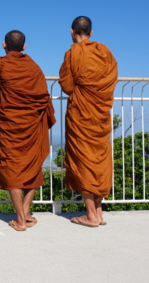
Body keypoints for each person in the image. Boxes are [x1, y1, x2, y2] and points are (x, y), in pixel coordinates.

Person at [0, 30, 56, 231]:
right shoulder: (34, 66)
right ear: (24, 47)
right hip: (33, 125)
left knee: (12, 168)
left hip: (10, 126)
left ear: (4, 45)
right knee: (32, 166)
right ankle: (26, 213)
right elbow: (43, 95)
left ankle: (20, 218)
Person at [59, 16, 118, 227]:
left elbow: (66, 86)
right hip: (100, 114)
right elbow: (110, 80)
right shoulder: (105, 52)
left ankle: (91, 215)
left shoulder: (73, 53)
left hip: (81, 114)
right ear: (91, 33)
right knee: (99, 160)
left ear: (72, 31)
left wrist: (80, 88)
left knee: (84, 161)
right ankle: (98, 212)